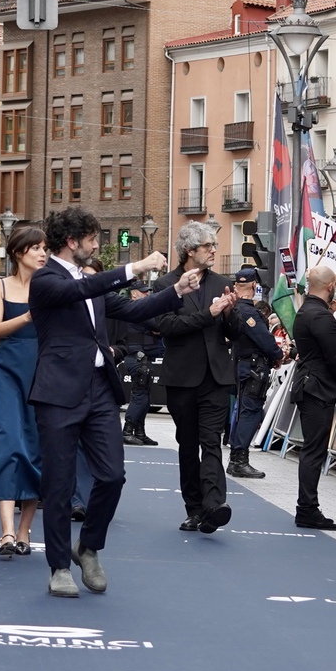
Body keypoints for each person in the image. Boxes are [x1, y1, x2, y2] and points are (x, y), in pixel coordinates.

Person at [29, 207, 194, 598]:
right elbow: (78, 291)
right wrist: (134, 267)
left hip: (99, 391)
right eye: (91, 239)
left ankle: (87, 547)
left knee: (112, 475)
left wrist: (176, 292)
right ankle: (57, 567)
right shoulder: (45, 280)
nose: (96, 245)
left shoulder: (91, 283)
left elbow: (134, 311)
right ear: (72, 242)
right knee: (58, 483)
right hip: (58, 392)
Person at [153, 222, 242, 534]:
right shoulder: (166, 284)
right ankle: (194, 509)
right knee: (188, 445)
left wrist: (231, 313)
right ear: (189, 251)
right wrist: (211, 314)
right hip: (182, 377)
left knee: (212, 442)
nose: (214, 250)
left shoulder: (222, 283)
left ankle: (214, 505)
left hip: (216, 377)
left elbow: (234, 332)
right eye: (207, 246)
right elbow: (168, 326)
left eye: (214, 245)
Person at [0, 228, 48, 557]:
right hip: (6, 371)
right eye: (35, 248)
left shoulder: (50, 287)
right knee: (5, 445)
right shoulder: (0, 285)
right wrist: (30, 316)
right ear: (19, 253)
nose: (42, 253)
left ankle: (23, 531)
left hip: (42, 373)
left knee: (35, 448)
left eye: (45, 248)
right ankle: (5, 531)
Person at [289, 264, 336, 530]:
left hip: (310, 383)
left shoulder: (305, 311)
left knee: (312, 449)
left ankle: (307, 506)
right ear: (330, 287)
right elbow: (334, 357)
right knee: (314, 450)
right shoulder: (321, 316)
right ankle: (307, 508)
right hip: (317, 387)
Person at [228, 267, 283, 479]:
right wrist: (278, 354)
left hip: (244, 366)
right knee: (250, 412)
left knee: (244, 411)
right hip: (253, 368)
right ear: (254, 285)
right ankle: (239, 460)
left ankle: (236, 459)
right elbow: (265, 340)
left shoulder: (236, 309)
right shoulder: (249, 312)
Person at [120, 281, 164, 447]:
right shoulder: (138, 309)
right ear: (134, 293)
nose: (147, 294)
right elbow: (158, 325)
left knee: (145, 396)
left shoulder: (142, 309)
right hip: (137, 358)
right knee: (140, 396)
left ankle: (140, 431)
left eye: (147, 291)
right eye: (143, 292)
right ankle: (127, 430)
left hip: (144, 358)